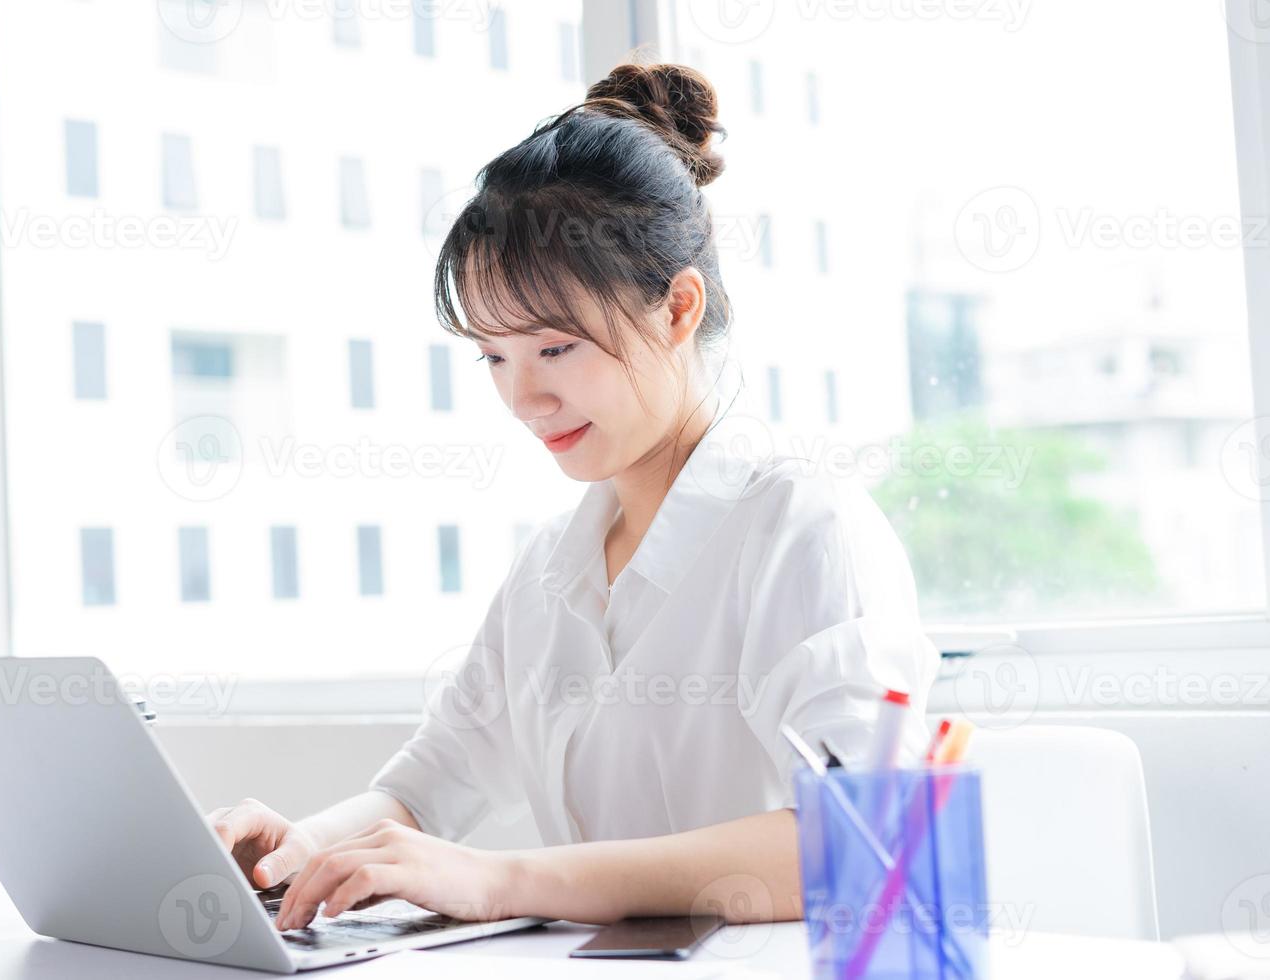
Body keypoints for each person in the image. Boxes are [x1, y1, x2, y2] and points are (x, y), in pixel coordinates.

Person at [208, 62, 939, 932]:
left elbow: (867, 845)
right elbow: (428, 788)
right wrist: (299, 853)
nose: (524, 399)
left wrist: (504, 881)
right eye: (495, 357)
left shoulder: (802, 528)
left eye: (555, 349)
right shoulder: (551, 568)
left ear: (676, 309)